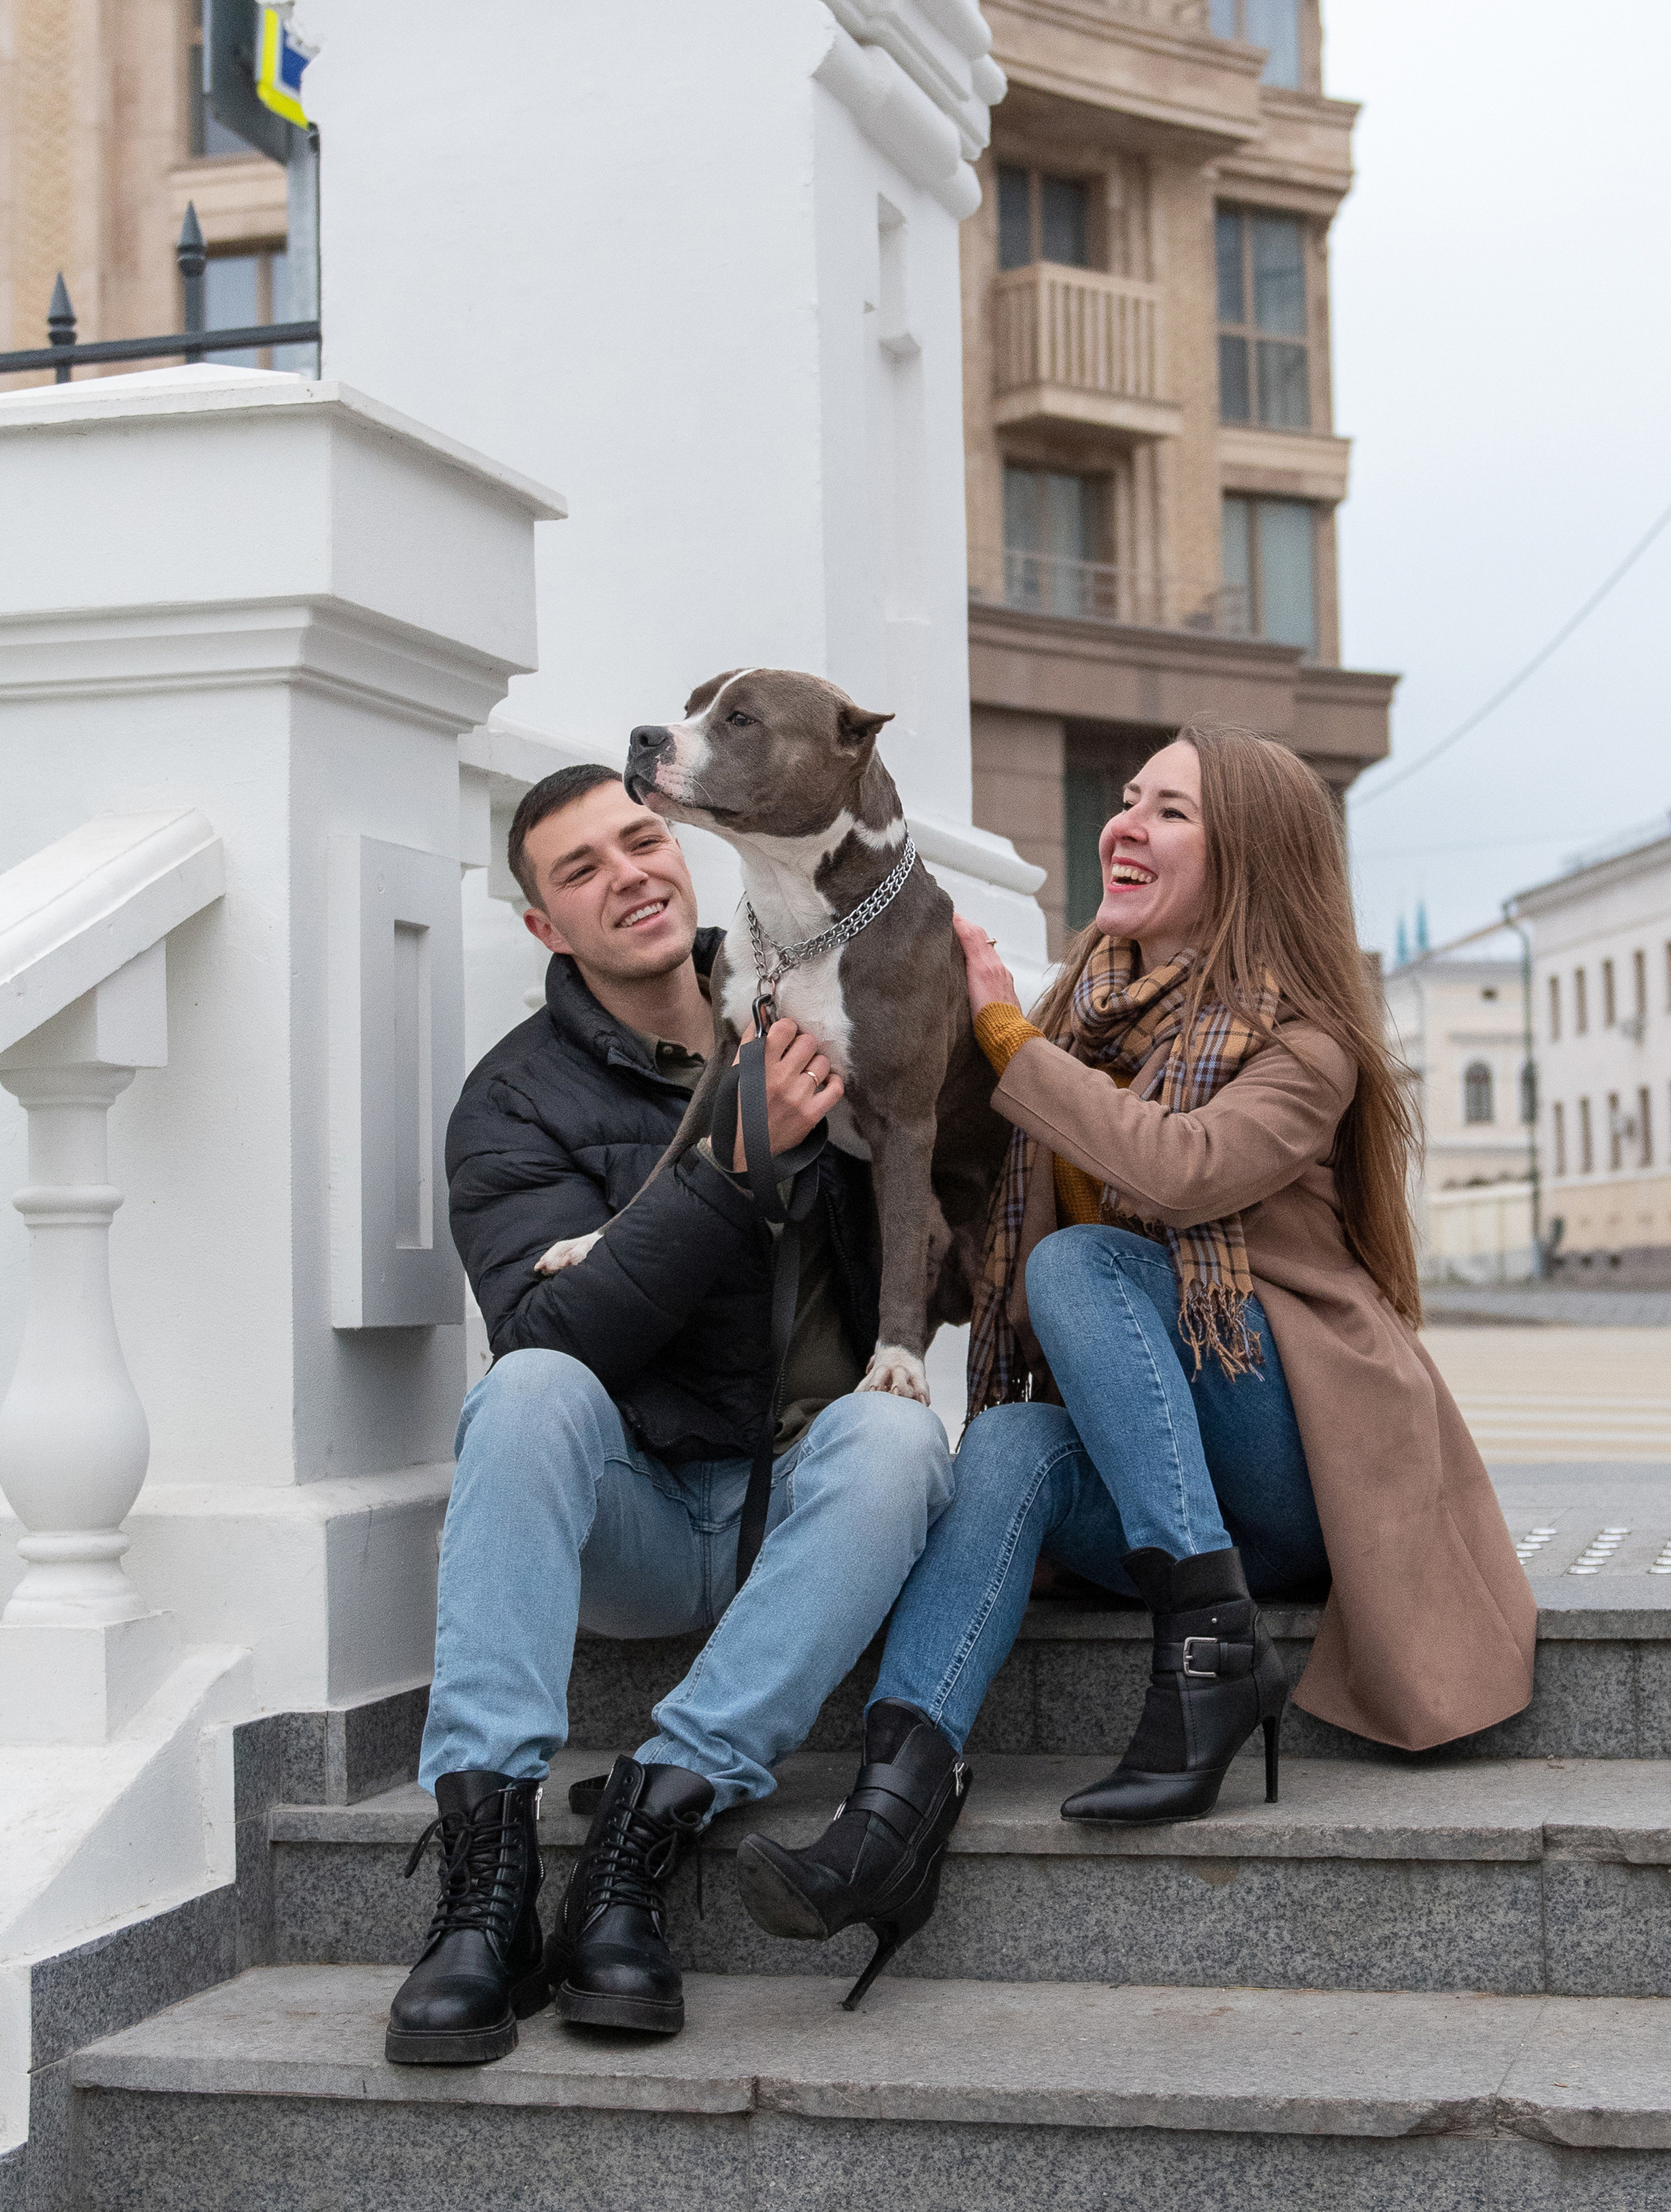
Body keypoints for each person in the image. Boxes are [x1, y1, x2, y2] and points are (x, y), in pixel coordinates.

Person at [734, 722, 1535, 1996]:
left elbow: (1176, 1170)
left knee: (1085, 1266)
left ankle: (1213, 1651)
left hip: (1293, 1470)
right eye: (1127, 800)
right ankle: (890, 1816)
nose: (1126, 824)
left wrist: (1000, 1034)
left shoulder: (1304, 1039)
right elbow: (956, 1206)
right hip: (1156, 1470)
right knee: (1002, 1439)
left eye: (1170, 811)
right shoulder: (1080, 1021)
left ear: (1249, 856)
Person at [384, 763, 952, 2065]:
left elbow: (930, 1221)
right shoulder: (513, 1100)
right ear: (545, 927)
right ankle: (486, 1882)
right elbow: (550, 1334)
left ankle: (649, 1826)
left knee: (901, 1437)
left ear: (686, 849)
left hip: (797, 1508)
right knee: (524, 1390)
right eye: (579, 870)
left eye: (642, 841)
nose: (628, 874)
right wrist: (730, 1169)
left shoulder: (820, 1003)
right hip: (635, 1521)